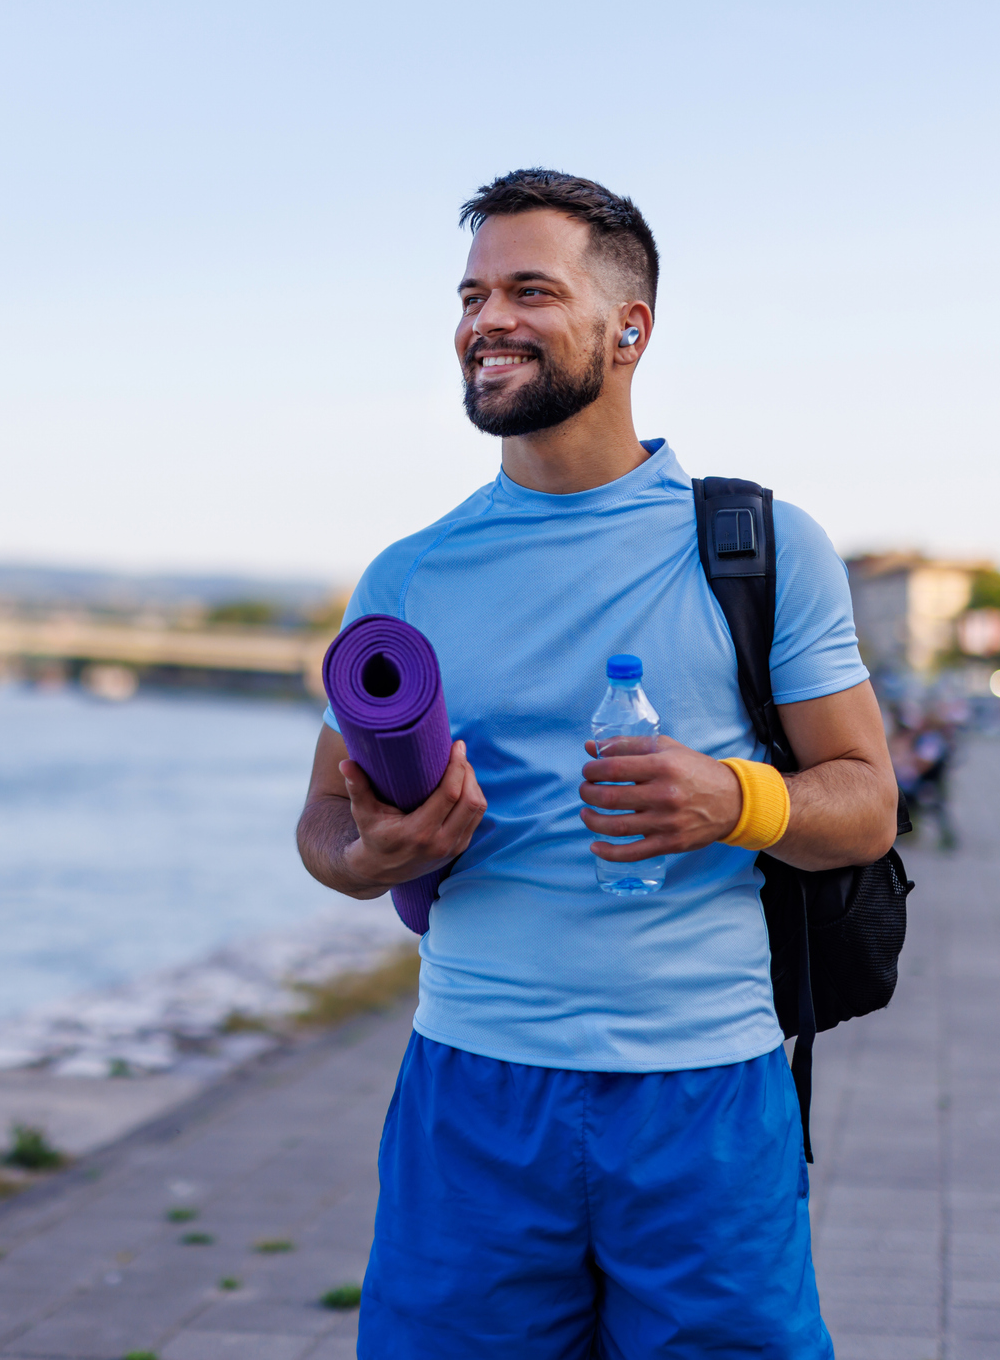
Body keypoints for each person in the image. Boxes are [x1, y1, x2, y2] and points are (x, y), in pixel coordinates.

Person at [294, 169, 899, 1359]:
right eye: (471, 294)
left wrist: (735, 796)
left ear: (630, 329)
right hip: (471, 1089)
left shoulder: (757, 548)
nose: (484, 321)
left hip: (704, 1094)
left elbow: (865, 802)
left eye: (528, 288)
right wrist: (373, 855)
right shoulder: (408, 577)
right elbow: (321, 823)